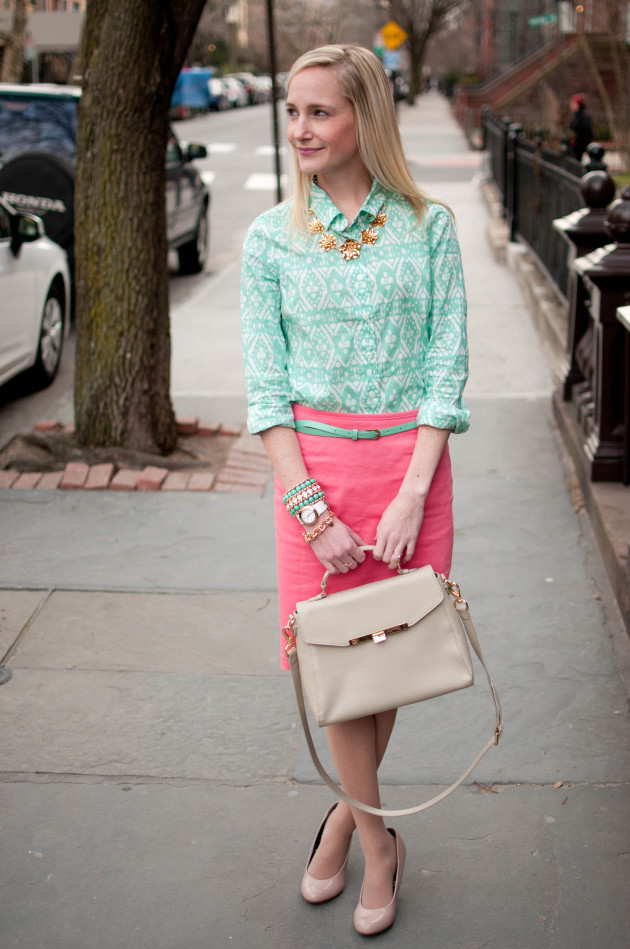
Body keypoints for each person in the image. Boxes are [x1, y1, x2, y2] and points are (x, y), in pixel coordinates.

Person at [240, 44, 469, 936]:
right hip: (316, 475)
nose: (301, 128)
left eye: (320, 112)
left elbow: (446, 369)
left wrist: (413, 490)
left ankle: (341, 816)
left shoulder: (429, 227)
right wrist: (310, 510)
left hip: (411, 474)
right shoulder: (270, 239)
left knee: (390, 661)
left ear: (364, 118)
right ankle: (380, 845)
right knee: (336, 666)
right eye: (293, 111)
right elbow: (267, 391)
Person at [569, 93, 593, 161]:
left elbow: (582, 128)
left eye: (573, 103)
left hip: (580, 144)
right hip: (577, 144)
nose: (571, 105)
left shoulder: (583, 116)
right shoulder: (576, 115)